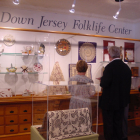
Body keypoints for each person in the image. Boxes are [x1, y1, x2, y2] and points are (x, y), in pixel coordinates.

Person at [99, 46, 131, 140]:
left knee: (109, 125)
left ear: (110, 55)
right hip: (121, 102)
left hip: (109, 102)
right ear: (120, 54)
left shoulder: (109, 67)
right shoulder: (126, 68)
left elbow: (104, 84)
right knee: (119, 124)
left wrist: (102, 80)